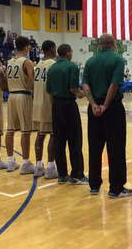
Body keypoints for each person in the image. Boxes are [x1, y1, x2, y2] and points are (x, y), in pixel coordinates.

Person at [82, 33, 131, 198]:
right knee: (115, 147)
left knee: (95, 147)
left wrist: (94, 104)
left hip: (94, 107)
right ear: (113, 44)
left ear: (99, 45)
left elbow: (85, 84)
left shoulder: (90, 61)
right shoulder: (117, 60)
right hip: (112, 107)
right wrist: (105, 105)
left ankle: (94, 185)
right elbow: (114, 84)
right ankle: (116, 188)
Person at [46, 44, 87, 184]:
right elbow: (74, 89)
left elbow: (49, 91)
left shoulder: (52, 68)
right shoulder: (72, 66)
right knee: (75, 140)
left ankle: (62, 175)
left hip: (55, 104)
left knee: (59, 140)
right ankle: (77, 174)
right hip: (69, 105)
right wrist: (84, 95)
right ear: (68, 53)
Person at [6, 36, 35, 173]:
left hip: (11, 96)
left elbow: (7, 79)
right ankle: (26, 162)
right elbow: (33, 81)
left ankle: (10, 161)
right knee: (26, 131)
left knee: (10, 129)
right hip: (23, 95)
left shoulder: (9, 61)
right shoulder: (27, 62)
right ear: (26, 47)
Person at [32, 40, 58, 179]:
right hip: (48, 102)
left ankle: (38, 166)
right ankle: (50, 167)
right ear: (52, 49)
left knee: (40, 134)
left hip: (37, 102)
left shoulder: (38, 65)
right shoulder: (53, 65)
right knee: (53, 134)